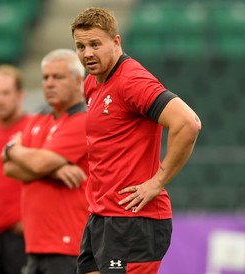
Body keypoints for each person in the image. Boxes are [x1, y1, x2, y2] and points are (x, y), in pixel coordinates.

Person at [70, 7, 202, 274]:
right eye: (81, 46)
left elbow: (188, 123)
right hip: (102, 217)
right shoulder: (92, 83)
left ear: (116, 42)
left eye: (95, 44)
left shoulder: (132, 80)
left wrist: (158, 181)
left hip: (134, 221)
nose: (87, 54)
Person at [1, 48, 89, 274]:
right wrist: (54, 170)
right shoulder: (39, 117)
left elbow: (36, 163)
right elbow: (9, 167)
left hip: (68, 244)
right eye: (45, 77)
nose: (49, 83)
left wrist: (16, 150)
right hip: (35, 244)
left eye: (57, 77)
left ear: (79, 81)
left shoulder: (84, 121)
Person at [0, 65, 30, 274]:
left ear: (20, 95)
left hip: (20, 235)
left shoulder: (33, 130)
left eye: (5, 93)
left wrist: (29, 218)